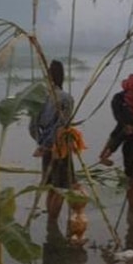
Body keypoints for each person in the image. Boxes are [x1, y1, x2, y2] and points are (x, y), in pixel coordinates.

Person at [30, 60, 76, 233]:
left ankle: (51, 225)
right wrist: (51, 144)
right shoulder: (66, 98)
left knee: (50, 186)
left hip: (46, 148)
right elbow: (61, 126)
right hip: (60, 148)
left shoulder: (41, 98)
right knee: (60, 187)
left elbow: (32, 127)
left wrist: (41, 144)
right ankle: (52, 224)